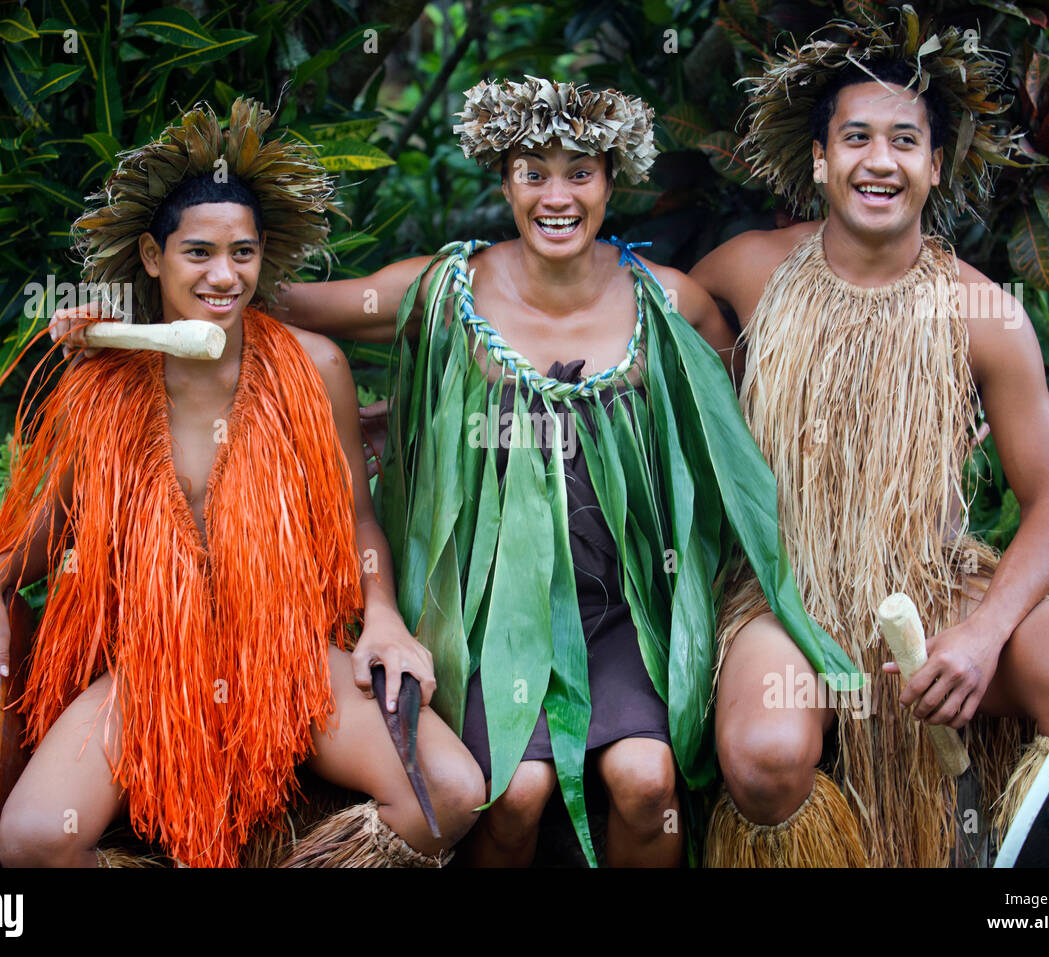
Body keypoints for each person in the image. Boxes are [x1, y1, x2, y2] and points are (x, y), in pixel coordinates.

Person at [254, 77, 856, 866]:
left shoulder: (667, 305)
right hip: (481, 614)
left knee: (647, 777)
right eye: (532, 171)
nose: (556, 195)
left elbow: (746, 403)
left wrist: (863, 426)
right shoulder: (444, 292)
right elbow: (275, 302)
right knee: (518, 788)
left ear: (612, 180)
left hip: (620, 606)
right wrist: (139, 307)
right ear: (504, 180)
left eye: (580, 171)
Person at [0, 98, 483, 868]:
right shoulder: (104, 381)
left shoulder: (312, 364)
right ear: (153, 256)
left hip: (291, 657)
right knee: (33, 839)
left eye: (244, 253)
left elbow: (358, 518)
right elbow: (49, 521)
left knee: (454, 791)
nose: (224, 276)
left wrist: (385, 621)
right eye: (198, 253)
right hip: (156, 662)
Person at [690, 15, 1049, 867]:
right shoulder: (749, 272)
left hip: (933, 579)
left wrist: (986, 631)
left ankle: (1046, 896)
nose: (880, 161)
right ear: (820, 160)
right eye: (856, 138)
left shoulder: (982, 312)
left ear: (935, 165)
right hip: (783, 591)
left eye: (905, 141)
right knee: (765, 759)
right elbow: (645, 341)